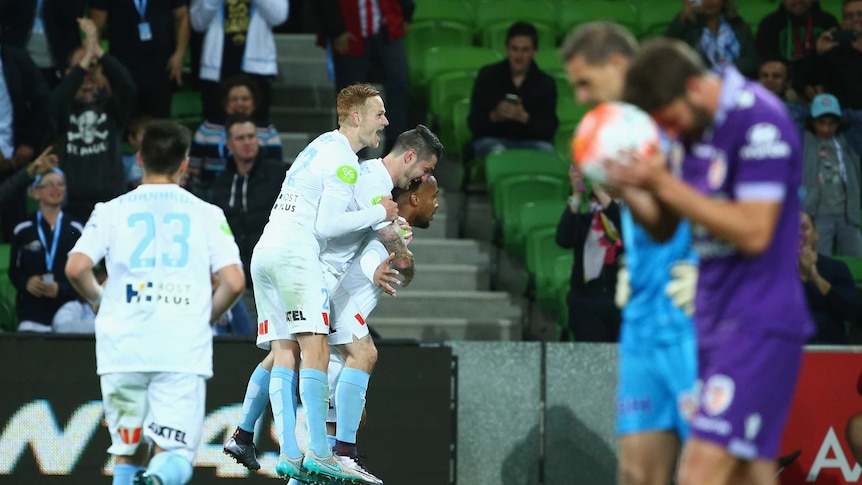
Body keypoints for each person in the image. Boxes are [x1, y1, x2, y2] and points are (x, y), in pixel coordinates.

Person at [608, 38, 814, 484]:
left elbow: (755, 231)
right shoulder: (692, 131)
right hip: (708, 322)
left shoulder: (760, 120)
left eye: (672, 120)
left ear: (694, 88)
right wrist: (632, 188)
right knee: (750, 473)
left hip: (757, 323)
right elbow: (665, 225)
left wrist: (664, 181)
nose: (673, 133)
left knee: (700, 472)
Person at [64, 120, 246, 485]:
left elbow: (76, 267)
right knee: (174, 454)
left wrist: (101, 302)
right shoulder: (207, 213)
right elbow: (234, 282)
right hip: (179, 350)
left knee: (128, 454)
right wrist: (205, 317)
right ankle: (159, 480)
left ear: (139, 157)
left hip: (123, 349)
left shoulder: (110, 210)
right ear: (184, 163)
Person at [561, 21, 698, 485]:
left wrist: (712, 271)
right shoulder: (618, 130)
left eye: (585, 81)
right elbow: (657, 217)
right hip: (643, 317)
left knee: (714, 468)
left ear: (617, 64)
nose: (580, 97)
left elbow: (726, 205)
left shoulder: (675, 119)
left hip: (690, 315)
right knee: (637, 472)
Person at [242, 83, 397, 483]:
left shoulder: (319, 144)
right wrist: (378, 212)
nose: (385, 121)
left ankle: (289, 453)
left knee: (282, 350)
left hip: (265, 251)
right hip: (296, 255)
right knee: (315, 348)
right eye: (379, 113)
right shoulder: (345, 160)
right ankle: (322, 452)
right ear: (357, 117)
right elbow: (326, 226)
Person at [50, 18, 135, 224]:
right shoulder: (63, 108)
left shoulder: (111, 107)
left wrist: (99, 52)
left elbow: (128, 87)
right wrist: (86, 58)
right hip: (73, 204)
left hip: (113, 202)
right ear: (69, 73)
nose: (87, 73)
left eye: (92, 66)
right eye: (81, 68)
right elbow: (57, 100)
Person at [313, 0, 414, 153]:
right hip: (351, 30)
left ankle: (394, 151)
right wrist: (337, 30)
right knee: (351, 97)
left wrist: (406, 16)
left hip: (385, 28)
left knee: (399, 86)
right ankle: (350, 153)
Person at [210, 113, 286, 286]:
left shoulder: (279, 174)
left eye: (251, 137)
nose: (247, 142)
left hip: (271, 272)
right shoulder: (220, 183)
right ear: (229, 144)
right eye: (240, 138)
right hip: (233, 274)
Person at [468, 21, 558, 159]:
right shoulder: (488, 76)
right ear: (507, 49)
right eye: (514, 49)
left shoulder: (545, 83)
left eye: (525, 50)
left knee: (547, 152)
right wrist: (494, 116)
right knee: (498, 153)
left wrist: (524, 118)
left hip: (531, 142)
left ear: (535, 51)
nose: (518, 56)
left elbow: (549, 131)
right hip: (493, 140)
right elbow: (473, 124)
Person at [190, 0, 289, 124]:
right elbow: (198, 23)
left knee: (256, 128)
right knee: (215, 125)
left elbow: (279, 16)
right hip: (216, 69)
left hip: (257, 68)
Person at [9, 167, 82, 332]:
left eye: (60, 184)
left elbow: (85, 273)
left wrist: (61, 289)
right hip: (32, 310)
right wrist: (26, 283)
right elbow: (14, 272)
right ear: (35, 192)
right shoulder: (23, 229)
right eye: (49, 184)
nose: (56, 189)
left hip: (67, 307)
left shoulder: (76, 229)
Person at [555, 167, 623, 343]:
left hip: (625, 306)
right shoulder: (587, 220)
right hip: (586, 304)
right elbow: (563, 239)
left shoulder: (635, 218)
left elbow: (628, 233)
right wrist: (576, 195)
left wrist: (602, 194)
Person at [89, 0, 190, 119]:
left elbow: (182, 17)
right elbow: (94, 29)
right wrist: (99, 68)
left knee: (160, 124)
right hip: (122, 70)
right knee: (126, 121)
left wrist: (179, 54)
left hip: (161, 68)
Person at [188, 74, 283, 199]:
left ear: (254, 103)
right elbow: (193, 169)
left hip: (256, 191)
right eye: (233, 99)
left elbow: (275, 169)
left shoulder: (267, 130)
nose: (239, 104)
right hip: (210, 191)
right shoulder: (208, 128)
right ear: (225, 103)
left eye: (245, 99)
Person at [0, 43, 51, 242]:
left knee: (18, 232)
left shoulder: (16, 59)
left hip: (16, 159)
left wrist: (30, 143)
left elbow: (42, 101)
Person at [802, 93, 862, 256]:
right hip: (818, 216)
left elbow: (858, 119)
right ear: (812, 121)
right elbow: (791, 115)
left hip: (848, 215)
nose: (826, 129)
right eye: (821, 123)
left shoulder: (849, 141)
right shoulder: (806, 140)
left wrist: (845, 115)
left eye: (832, 123)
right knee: (820, 261)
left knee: (858, 257)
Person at [755, 0, 838, 100]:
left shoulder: (828, 22)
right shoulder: (769, 24)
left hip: (823, 88)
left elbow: (837, 64)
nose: (798, 1)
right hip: (785, 88)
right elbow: (767, 65)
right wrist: (800, 87)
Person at [810, 0, 862, 157]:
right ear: (843, 22)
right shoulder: (833, 50)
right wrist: (819, 53)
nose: (855, 19)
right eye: (849, 16)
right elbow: (811, 82)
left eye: (860, 14)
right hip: (845, 120)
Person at [799, 211, 860, 344]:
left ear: (816, 235)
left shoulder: (836, 268)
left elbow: (854, 314)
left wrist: (816, 278)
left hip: (831, 349)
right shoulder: (774, 272)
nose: (799, 234)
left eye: (804, 228)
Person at [664, 0, 759, 79]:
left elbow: (751, 62)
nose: (708, 1)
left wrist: (724, 71)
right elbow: (666, 52)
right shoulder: (687, 28)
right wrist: (683, 17)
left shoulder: (739, 26)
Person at [757, 58, 808, 133]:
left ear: (788, 83)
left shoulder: (799, 112)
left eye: (776, 76)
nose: (769, 80)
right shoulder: (743, 111)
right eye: (765, 75)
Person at [122, 116, 151, 191]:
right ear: (132, 139)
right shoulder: (125, 161)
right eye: (144, 135)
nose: (149, 139)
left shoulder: (161, 159)